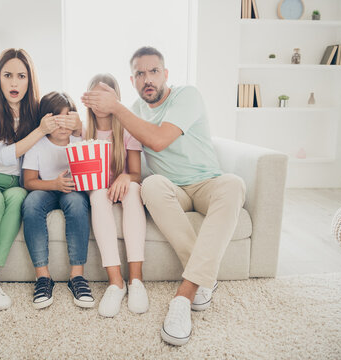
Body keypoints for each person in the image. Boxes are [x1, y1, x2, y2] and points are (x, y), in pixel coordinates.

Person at [81, 46, 246, 345]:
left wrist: (116, 107)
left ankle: (185, 296)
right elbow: (110, 142)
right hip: (171, 189)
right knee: (151, 184)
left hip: (207, 183)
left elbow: (157, 141)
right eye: (140, 73)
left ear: (166, 74)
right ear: (132, 80)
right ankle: (204, 275)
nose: (148, 79)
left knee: (234, 184)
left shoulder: (187, 96)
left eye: (154, 71)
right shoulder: (133, 110)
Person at [0, 48, 69, 330]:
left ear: (30, 80)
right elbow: (5, 156)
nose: (14, 83)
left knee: (19, 197)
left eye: (21, 76)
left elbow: (67, 118)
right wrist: (40, 131)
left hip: (14, 185)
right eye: (8, 75)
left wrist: (72, 122)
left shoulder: (35, 112)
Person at [21, 91, 94, 310]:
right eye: (56, 120)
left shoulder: (79, 139)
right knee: (31, 203)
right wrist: (54, 184)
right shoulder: (37, 144)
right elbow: (29, 182)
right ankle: (43, 278)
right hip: (47, 188)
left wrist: (80, 127)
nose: (62, 126)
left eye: (67, 119)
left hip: (72, 190)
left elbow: (97, 149)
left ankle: (77, 277)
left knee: (77, 203)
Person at [83, 73, 148, 318]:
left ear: (116, 99)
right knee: (98, 195)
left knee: (132, 190)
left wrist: (125, 177)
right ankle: (115, 283)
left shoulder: (127, 131)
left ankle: (136, 280)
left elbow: (136, 174)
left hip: (124, 189)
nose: (100, 101)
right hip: (101, 191)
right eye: (95, 95)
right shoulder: (83, 131)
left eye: (105, 95)